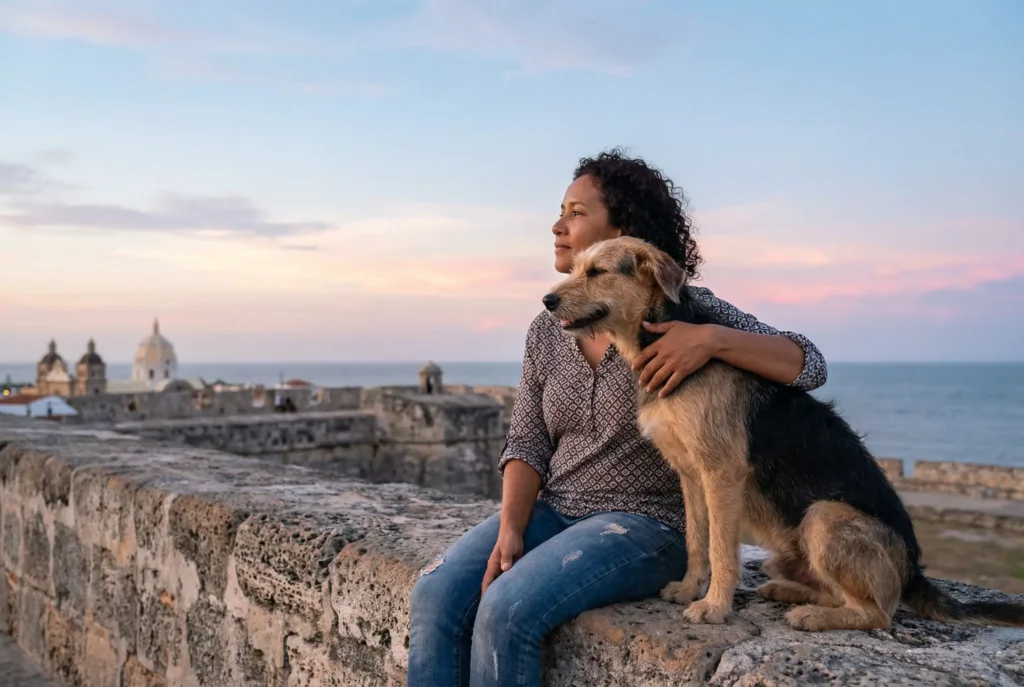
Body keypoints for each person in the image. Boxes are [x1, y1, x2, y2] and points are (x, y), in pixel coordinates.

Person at [406, 149, 828, 687]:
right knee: (436, 595)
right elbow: (527, 441)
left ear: (623, 230)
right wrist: (512, 528)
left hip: (646, 524)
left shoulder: (688, 310)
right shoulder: (547, 329)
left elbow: (808, 364)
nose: (557, 227)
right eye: (560, 211)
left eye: (576, 213)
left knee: (508, 609)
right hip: (557, 511)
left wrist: (709, 340)